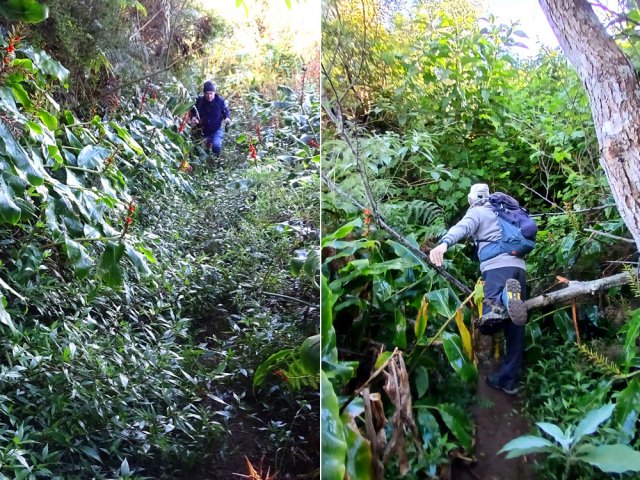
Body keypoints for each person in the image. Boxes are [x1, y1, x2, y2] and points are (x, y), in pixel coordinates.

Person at [429, 183, 527, 395]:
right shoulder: (504, 210)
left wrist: (443, 244)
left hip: (497, 269)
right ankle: (508, 381)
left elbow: (462, 227)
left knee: (490, 321)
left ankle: (506, 296)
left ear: (470, 199)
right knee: (516, 328)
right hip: (519, 267)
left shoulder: (478, 211)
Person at [190, 80, 231, 164]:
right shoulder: (199, 101)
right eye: (207, 93)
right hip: (202, 131)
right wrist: (193, 118)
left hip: (216, 130)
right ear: (204, 93)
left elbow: (226, 111)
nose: (209, 96)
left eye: (211, 93)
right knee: (200, 151)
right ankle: (204, 164)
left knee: (216, 146)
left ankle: (217, 162)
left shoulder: (220, 101)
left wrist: (227, 118)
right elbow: (193, 111)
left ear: (214, 93)